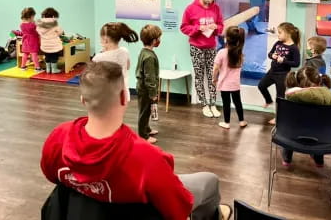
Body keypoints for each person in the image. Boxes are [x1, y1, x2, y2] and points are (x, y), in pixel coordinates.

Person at [40, 62, 232, 220]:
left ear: (83, 99)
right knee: (210, 181)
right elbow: (178, 210)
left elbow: (52, 176)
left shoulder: (58, 137)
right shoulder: (146, 159)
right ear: (125, 97)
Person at [280, 66, 331, 167]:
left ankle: (287, 158)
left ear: (298, 83)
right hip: (323, 138)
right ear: (319, 82)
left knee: (291, 126)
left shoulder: (290, 98)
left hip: (294, 135)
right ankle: (319, 160)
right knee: (320, 127)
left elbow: (282, 121)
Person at [181, 0, 224, 118]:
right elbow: (183, 27)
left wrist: (216, 28)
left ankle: (212, 103)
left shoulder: (216, 8)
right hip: (196, 47)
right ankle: (204, 104)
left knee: (213, 75)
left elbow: (221, 26)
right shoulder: (190, 9)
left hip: (211, 47)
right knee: (199, 76)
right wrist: (197, 28)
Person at [258, 22, 300, 125]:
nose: (278, 35)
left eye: (280, 33)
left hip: (282, 75)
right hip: (272, 72)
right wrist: (273, 56)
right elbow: (270, 54)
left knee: (280, 97)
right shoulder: (278, 43)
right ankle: (268, 100)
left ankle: (278, 118)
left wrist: (284, 61)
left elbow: (296, 63)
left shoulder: (294, 48)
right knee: (261, 85)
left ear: (288, 33)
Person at [92, 22, 138, 102]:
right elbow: (128, 66)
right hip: (123, 95)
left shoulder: (98, 58)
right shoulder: (124, 51)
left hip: (106, 97)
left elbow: (92, 77)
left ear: (105, 39)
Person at [213, 26, 247, 129]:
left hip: (224, 84)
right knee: (238, 102)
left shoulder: (221, 52)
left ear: (226, 38)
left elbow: (215, 69)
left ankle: (227, 123)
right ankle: (241, 121)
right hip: (235, 84)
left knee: (226, 103)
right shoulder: (240, 53)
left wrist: (214, 79)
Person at [135, 25, 161, 144]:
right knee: (144, 112)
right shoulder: (149, 57)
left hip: (142, 87)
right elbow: (149, 78)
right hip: (146, 89)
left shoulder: (144, 52)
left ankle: (147, 128)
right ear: (154, 40)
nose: (159, 41)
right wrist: (153, 93)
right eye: (158, 38)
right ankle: (143, 135)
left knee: (147, 110)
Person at [36, 7, 64, 74]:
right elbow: (60, 32)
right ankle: (54, 69)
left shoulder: (40, 24)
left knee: (47, 56)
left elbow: (38, 31)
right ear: (53, 15)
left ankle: (48, 69)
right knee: (54, 56)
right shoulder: (54, 23)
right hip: (54, 44)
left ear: (44, 15)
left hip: (45, 44)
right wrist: (57, 34)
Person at [19, 7, 42, 71]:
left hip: (25, 40)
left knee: (25, 53)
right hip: (32, 40)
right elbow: (37, 32)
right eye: (33, 17)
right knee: (34, 53)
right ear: (31, 16)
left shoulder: (22, 25)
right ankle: (37, 67)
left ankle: (23, 66)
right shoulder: (33, 25)